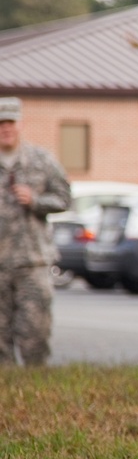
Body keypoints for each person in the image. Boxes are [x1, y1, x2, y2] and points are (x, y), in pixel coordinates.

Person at [0, 97, 71, 366]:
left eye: (10, 122)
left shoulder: (41, 160)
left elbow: (64, 198)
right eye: (1, 123)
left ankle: (36, 389)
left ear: (20, 124)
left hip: (33, 262)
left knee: (35, 333)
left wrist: (36, 202)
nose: (6, 128)